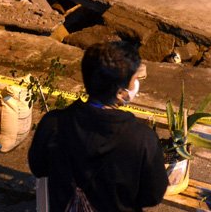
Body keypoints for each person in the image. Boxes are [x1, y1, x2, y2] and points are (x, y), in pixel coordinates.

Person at [28, 41, 168, 212]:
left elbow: (38, 168)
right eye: (134, 79)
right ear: (119, 91)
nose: (136, 84)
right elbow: (153, 195)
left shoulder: (53, 123)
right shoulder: (143, 139)